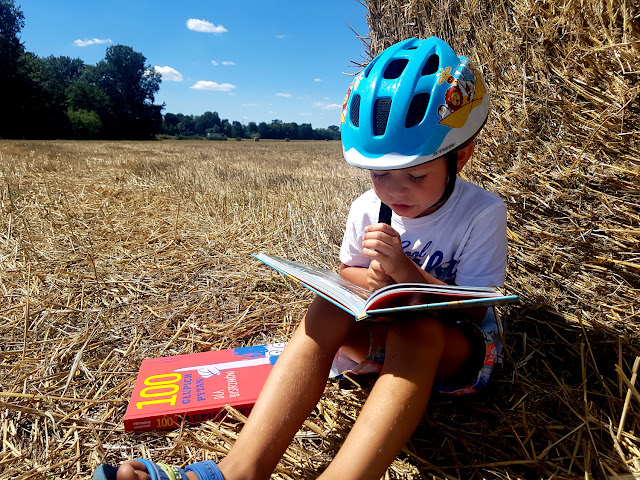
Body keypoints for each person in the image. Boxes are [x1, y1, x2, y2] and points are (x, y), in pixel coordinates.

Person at [93, 36, 508, 480]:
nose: (395, 190)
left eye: (417, 175)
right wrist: (365, 281)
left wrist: (406, 273)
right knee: (327, 307)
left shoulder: (481, 212)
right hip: (380, 339)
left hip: (455, 351)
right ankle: (239, 469)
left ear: (461, 155)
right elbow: (350, 269)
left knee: (417, 328)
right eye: (380, 173)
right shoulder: (368, 208)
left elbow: (476, 306)